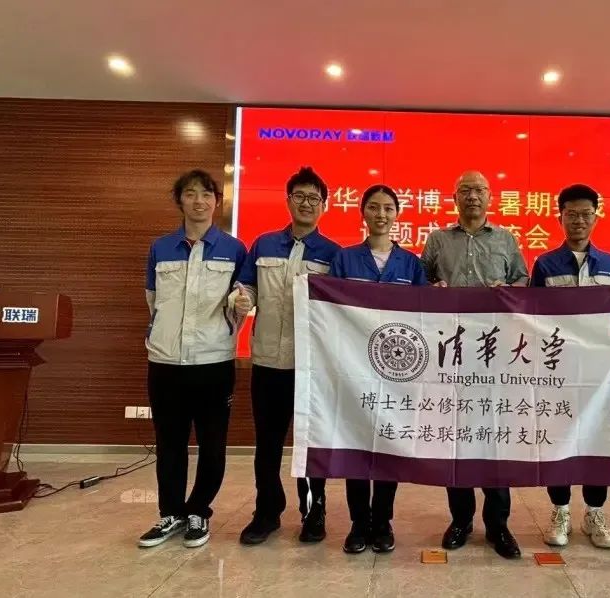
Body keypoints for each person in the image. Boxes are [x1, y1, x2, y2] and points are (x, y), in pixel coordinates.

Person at [420, 170, 528, 560]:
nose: (472, 196)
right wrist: (431, 290)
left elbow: (523, 281)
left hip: (493, 354)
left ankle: (498, 524)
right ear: (454, 198)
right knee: (456, 438)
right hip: (449, 353)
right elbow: (419, 283)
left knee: (495, 438)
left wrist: (509, 291)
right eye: (465, 190)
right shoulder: (437, 240)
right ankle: (461, 520)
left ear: (490, 197)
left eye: (479, 189)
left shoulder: (506, 239)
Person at [232, 166, 341, 546]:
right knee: (268, 443)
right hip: (267, 361)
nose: (306, 204)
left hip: (311, 366)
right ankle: (266, 512)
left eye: (314, 198)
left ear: (324, 205)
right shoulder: (263, 245)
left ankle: (313, 513)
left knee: (310, 445)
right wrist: (241, 298)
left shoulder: (333, 254)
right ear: (288, 200)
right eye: (300, 197)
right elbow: (247, 287)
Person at [139, 170, 247, 549]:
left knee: (212, 443)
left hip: (213, 362)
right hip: (166, 362)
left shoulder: (234, 249)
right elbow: (153, 300)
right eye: (190, 194)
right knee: (169, 442)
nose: (199, 201)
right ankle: (170, 512)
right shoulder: (161, 247)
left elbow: (240, 300)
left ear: (217, 201)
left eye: (206, 194)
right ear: (180, 200)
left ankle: (199, 510)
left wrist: (239, 307)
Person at [328, 184, 427, 554]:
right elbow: (329, 311)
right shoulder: (345, 259)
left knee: (388, 443)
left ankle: (382, 522)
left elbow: (423, 316)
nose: (381, 214)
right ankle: (358, 523)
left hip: (397, 372)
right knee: (356, 445)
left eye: (388, 208)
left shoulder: (411, 264)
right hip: (354, 369)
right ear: (363, 213)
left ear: (397, 214)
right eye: (373, 207)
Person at [528, 183, 610, 549]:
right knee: (558, 438)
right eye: (572, 214)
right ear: (560, 218)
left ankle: (595, 512)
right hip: (558, 370)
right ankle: (561, 509)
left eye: (586, 214)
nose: (579, 221)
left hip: (598, 373)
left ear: (596, 218)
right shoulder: (545, 264)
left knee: (596, 437)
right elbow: (532, 316)